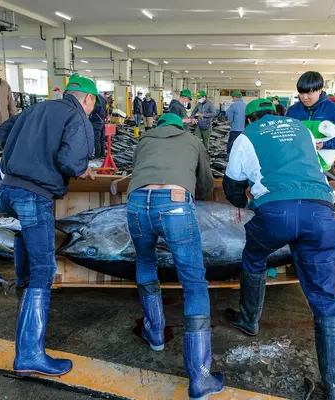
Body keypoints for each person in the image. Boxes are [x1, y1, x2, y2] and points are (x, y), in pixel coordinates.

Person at [223, 98, 335, 399]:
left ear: (252, 117)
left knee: (254, 257)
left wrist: (246, 204)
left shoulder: (247, 135)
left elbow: (232, 186)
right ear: (278, 113)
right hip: (321, 214)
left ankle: (248, 320)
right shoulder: (302, 130)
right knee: (324, 298)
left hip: (275, 213)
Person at [0, 75, 97, 377]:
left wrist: (27, 155)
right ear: (88, 99)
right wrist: (82, 170)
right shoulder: (77, 117)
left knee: (27, 239)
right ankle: (29, 354)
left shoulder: (35, 108)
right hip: (32, 194)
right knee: (45, 268)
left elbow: (3, 132)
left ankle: (23, 285)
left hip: (7, 190)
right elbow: (70, 162)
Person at [126, 113, 223, 400]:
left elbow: (138, 171)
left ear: (158, 126)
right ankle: (200, 378)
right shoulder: (193, 141)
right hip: (174, 205)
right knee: (194, 282)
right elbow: (205, 183)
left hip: (136, 203)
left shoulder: (144, 139)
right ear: (182, 126)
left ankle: (155, 334)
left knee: (145, 262)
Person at [286, 71, 335, 153]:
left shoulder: (334, 110)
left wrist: (325, 145)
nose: (305, 97)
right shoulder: (292, 111)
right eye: (301, 93)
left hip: (323, 161)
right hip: (298, 159)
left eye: (309, 93)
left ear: (320, 90)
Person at [90, 93, 107, 158]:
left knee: (97, 139)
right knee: (102, 138)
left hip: (97, 121)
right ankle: (102, 154)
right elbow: (106, 109)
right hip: (103, 120)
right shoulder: (103, 98)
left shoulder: (95, 99)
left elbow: (93, 109)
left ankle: (97, 155)